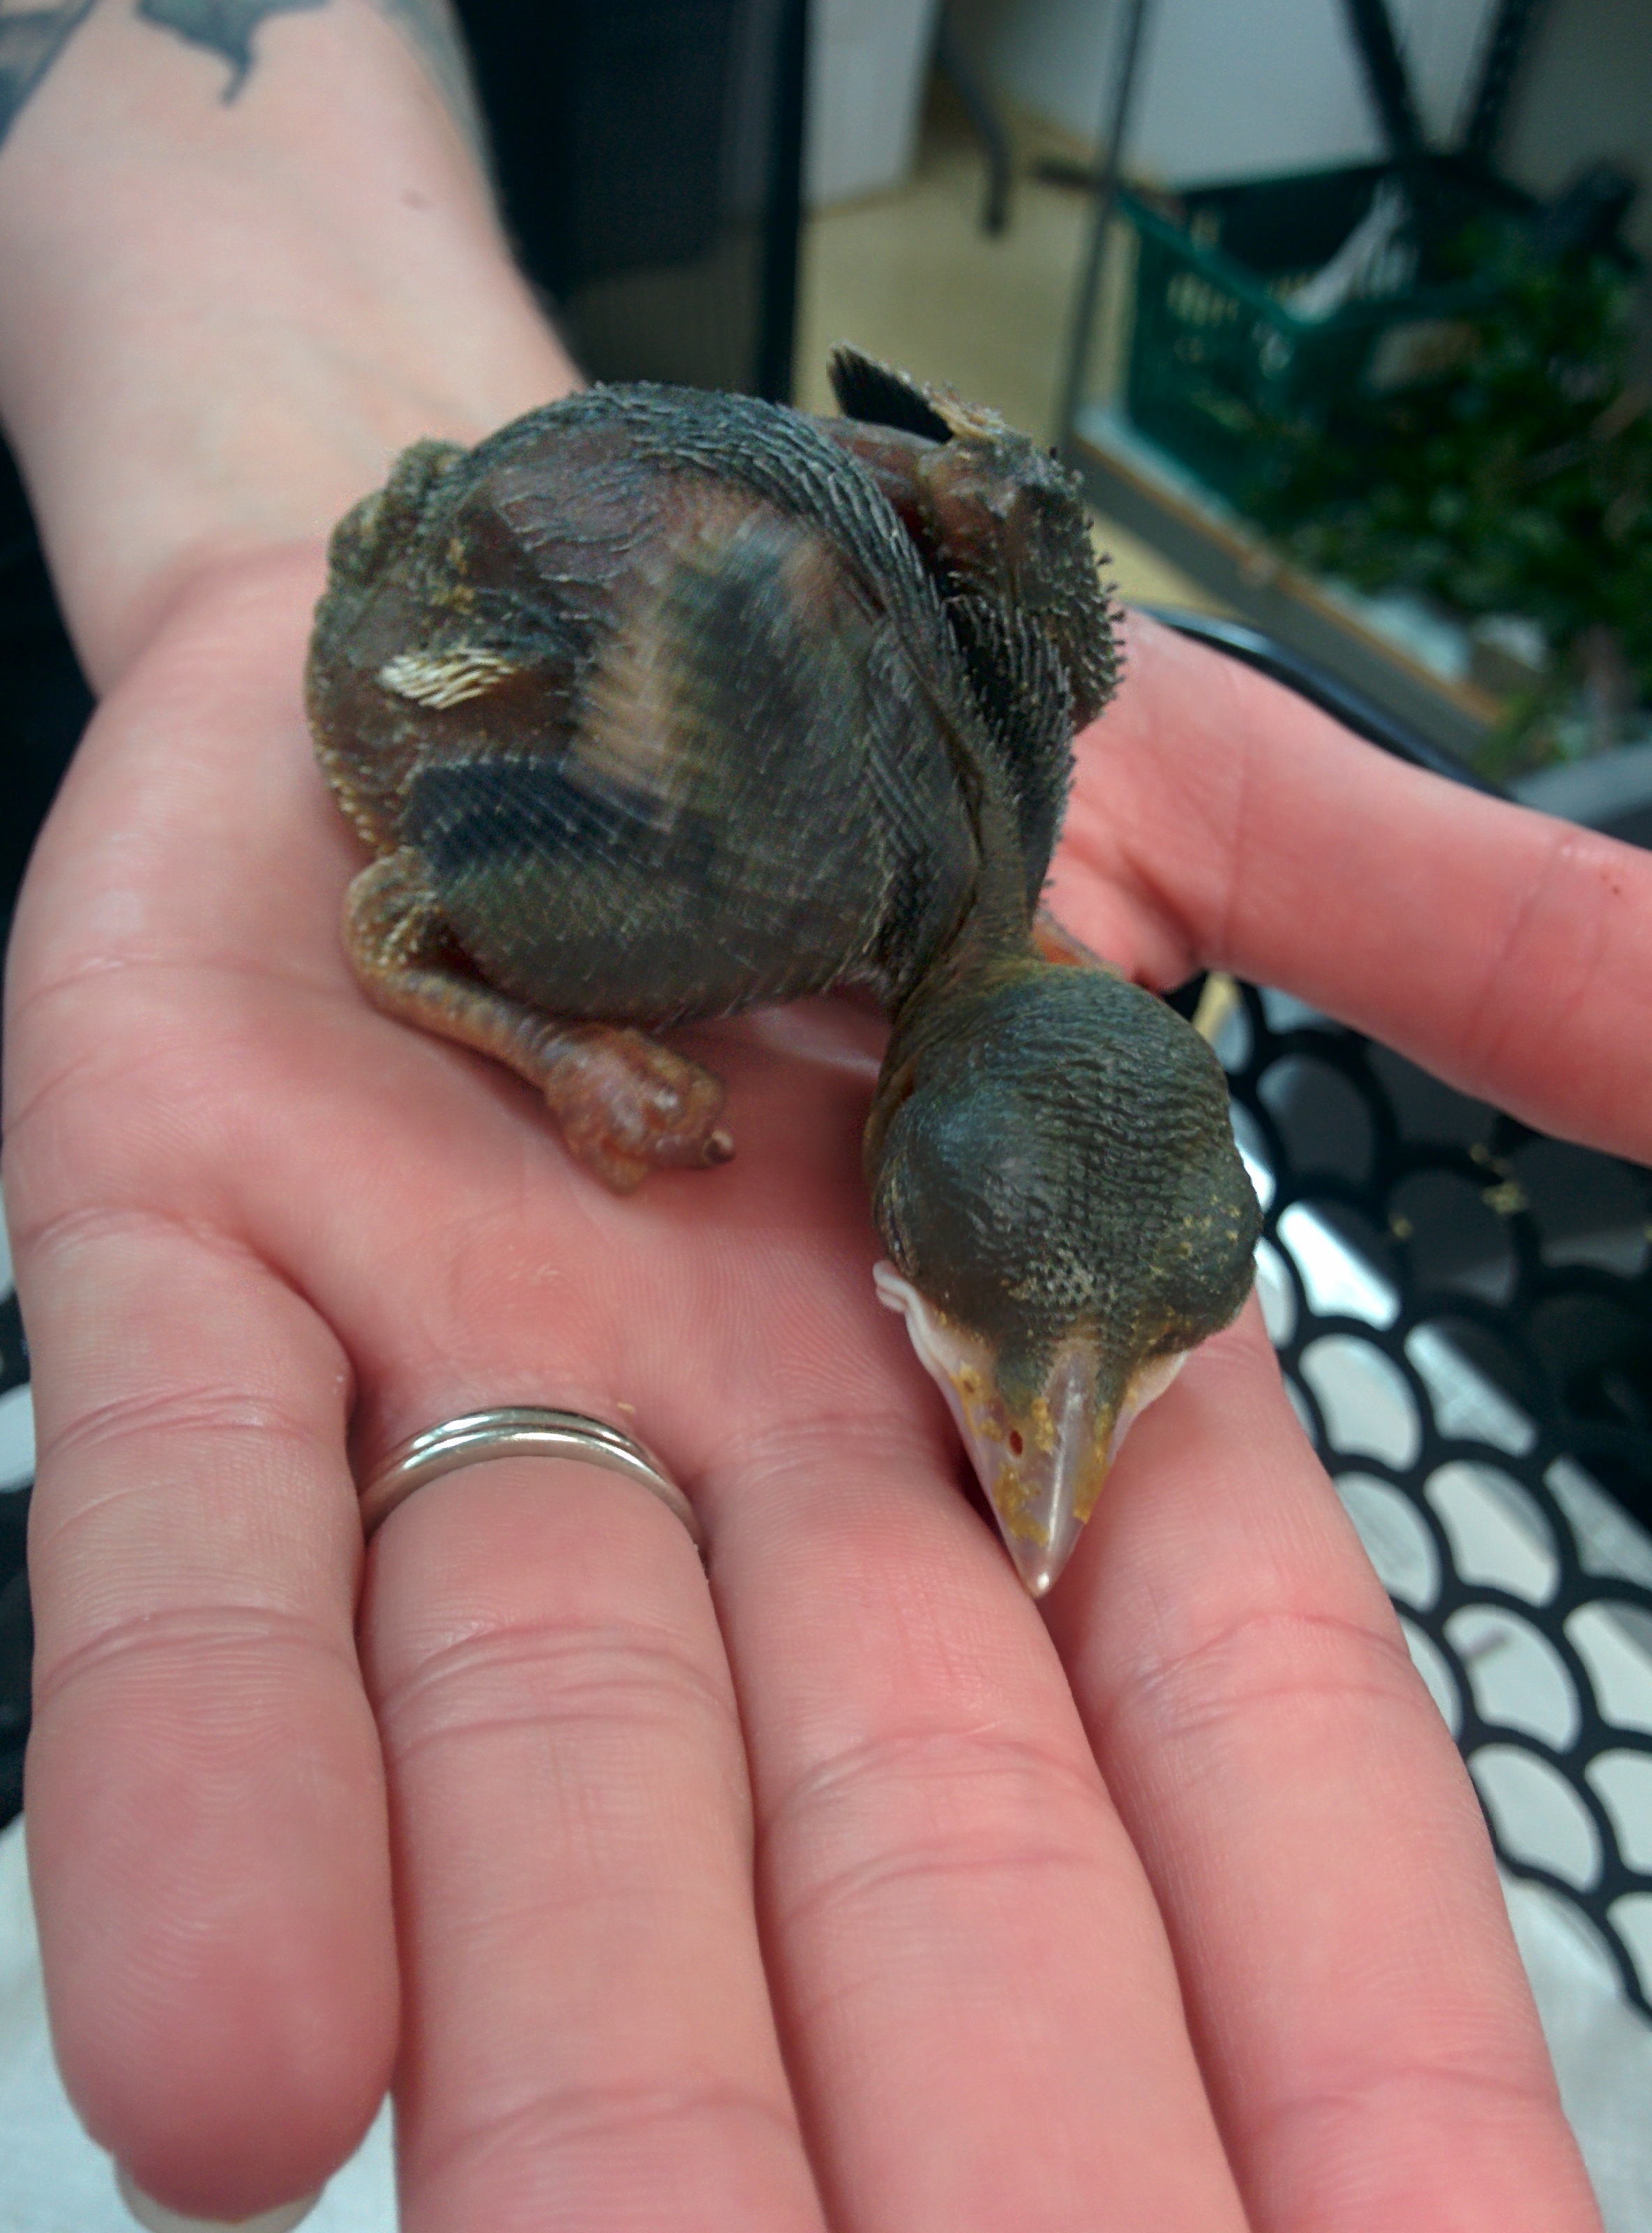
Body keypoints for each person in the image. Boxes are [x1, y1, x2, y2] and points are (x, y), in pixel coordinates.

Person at [0, 4, 1632, 2228]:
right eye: (1026, 1342)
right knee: (658, 895)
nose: (1047, 1419)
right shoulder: (782, 897)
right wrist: (562, 1036)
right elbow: (413, 855)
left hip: (502, 507)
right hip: (423, 670)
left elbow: (950, 508)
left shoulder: (993, 805)